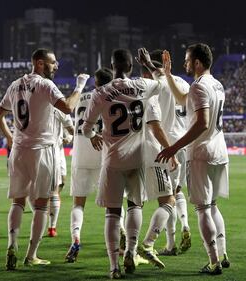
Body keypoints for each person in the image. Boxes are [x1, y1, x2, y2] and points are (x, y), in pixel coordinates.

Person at [0, 48, 89, 270]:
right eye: (52, 62)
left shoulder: (15, 84)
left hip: (18, 150)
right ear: (39, 63)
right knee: (40, 205)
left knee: (17, 201)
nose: (55, 66)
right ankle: (31, 255)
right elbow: (67, 107)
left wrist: (10, 138)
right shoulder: (45, 85)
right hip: (43, 150)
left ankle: (12, 245)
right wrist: (80, 87)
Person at [82, 49, 164, 279]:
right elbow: (161, 82)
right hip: (137, 157)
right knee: (135, 205)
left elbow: (86, 128)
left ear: (112, 65)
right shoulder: (142, 85)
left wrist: (94, 135)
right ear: (131, 67)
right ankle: (131, 250)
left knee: (112, 213)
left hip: (113, 159)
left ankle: (113, 267)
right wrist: (148, 64)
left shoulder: (101, 92)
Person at [156, 43, 230, 275]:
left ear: (197, 62)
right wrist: (168, 75)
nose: (185, 64)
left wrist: (174, 147)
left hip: (201, 154)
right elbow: (182, 100)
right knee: (213, 205)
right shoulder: (216, 85)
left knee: (202, 208)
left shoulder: (198, 87)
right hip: (219, 151)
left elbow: (202, 123)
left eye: (187, 60)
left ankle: (213, 261)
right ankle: (223, 253)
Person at [140, 49, 192, 256]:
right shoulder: (183, 83)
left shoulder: (154, 85)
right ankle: (185, 225)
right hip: (184, 141)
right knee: (178, 192)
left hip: (165, 143)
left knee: (167, 195)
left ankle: (169, 244)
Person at [65, 68, 113, 262]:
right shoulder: (113, 96)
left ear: (95, 83)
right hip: (103, 153)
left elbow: (70, 112)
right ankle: (123, 236)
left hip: (80, 154)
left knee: (78, 203)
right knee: (113, 204)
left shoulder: (82, 97)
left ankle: (76, 238)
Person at [135, 60, 178, 269]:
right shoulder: (157, 90)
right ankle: (149, 243)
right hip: (154, 152)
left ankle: (129, 253)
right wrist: (170, 151)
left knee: (135, 204)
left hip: (130, 154)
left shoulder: (129, 90)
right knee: (169, 200)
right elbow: (156, 127)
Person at [48, 109, 74, 237]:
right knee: (53, 189)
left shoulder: (61, 109)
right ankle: (52, 227)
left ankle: (52, 203)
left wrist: (69, 137)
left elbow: (70, 129)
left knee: (62, 182)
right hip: (49, 151)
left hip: (60, 151)